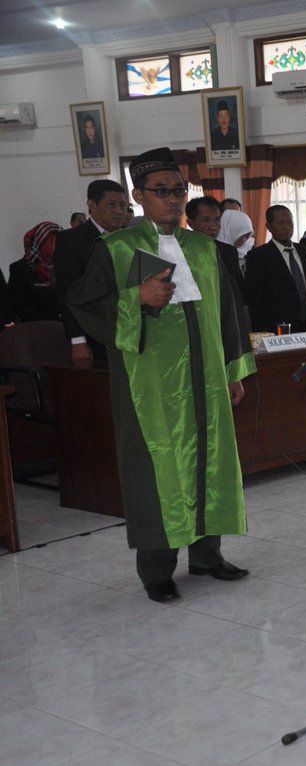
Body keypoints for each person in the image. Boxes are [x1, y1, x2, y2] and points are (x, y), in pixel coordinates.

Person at [66, 147, 255, 603]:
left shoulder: (205, 249)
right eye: (161, 192)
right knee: (157, 472)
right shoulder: (113, 249)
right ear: (138, 195)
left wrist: (234, 372)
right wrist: (137, 299)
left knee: (210, 463)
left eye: (178, 191)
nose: (172, 199)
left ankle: (208, 555)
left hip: (207, 381)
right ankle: (156, 570)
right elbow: (82, 306)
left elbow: (229, 315)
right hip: (148, 386)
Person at [54, 179, 129, 367]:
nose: (119, 211)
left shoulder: (129, 239)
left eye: (123, 205)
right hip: (92, 334)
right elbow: (67, 292)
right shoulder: (71, 240)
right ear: (92, 205)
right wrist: (78, 341)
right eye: (111, 205)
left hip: (127, 330)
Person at [243, 205, 306, 338]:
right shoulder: (258, 256)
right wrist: (262, 333)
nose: (287, 227)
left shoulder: (304, 251)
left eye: (290, 222)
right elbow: (255, 300)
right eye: (281, 223)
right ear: (269, 226)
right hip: (278, 329)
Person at [187, 195, 249, 302]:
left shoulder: (228, 251)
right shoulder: (183, 249)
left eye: (217, 220)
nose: (213, 226)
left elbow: (238, 290)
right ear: (191, 223)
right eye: (206, 220)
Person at [8, 222, 61, 322]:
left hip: (64, 330)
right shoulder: (20, 269)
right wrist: (49, 323)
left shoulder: (65, 267)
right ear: (39, 242)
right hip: (34, 331)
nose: (57, 245)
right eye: (52, 240)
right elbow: (19, 306)